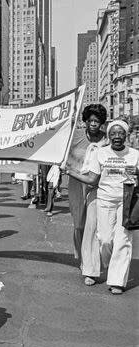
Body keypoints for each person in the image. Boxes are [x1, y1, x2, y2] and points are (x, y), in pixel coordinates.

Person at [65, 119, 137, 294]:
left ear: (126, 136)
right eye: (113, 134)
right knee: (105, 239)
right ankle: (107, 264)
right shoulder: (101, 153)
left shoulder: (135, 154)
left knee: (123, 240)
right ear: (109, 136)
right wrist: (69, 172)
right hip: (104, 199)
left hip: (127, 200)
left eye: (121, 134)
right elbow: (91, 179)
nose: (117, 137)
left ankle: (117, 281)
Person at [64, 104, 107, 285]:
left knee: (94, 226)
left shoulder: (107, 139)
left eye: (97, 121)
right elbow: (63, 152)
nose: (93, 124)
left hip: (97, 185)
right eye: (90, 120)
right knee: (79, 224)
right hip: (76, 182)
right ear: (86, 121)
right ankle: (82, 255)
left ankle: (88, 262)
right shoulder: (77, 137)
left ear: (102, 123)